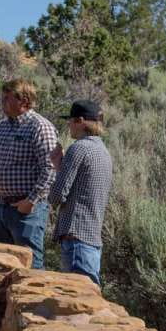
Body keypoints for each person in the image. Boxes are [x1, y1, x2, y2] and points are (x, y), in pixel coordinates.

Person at [0, 79, 58, 269]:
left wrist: (31, 201)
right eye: (2, 98)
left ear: (24, 101)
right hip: (1, 206)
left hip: (27, 209)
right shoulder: (1, 128)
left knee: (29, 263)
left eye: (7, 98)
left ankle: (32, 298)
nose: (2, 102)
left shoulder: (40, 127)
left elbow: (50, 168)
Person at [49, 100, 113, 285]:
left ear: (81, 121)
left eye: (70, 120)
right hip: (91, 239)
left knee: (76, 303)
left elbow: (56, 195)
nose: (68, 125)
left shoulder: (78, 149)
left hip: (76, 239)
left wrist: (57, 167)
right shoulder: (103, 151)